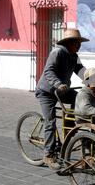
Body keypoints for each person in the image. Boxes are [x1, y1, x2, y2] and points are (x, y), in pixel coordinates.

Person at [35, 28, 89, 170]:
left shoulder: (74, 55)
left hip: (62, 91)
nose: (79, 45)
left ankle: (69, 131)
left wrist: (93, 80)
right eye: (77, 43)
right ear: (69, 42)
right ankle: (48, 155)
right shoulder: (57, 52)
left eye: (79, 43)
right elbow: (48, 71)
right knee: (50, 122)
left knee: (80, 100)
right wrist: (58, 84)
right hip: (47, 92)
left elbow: (81, 70)